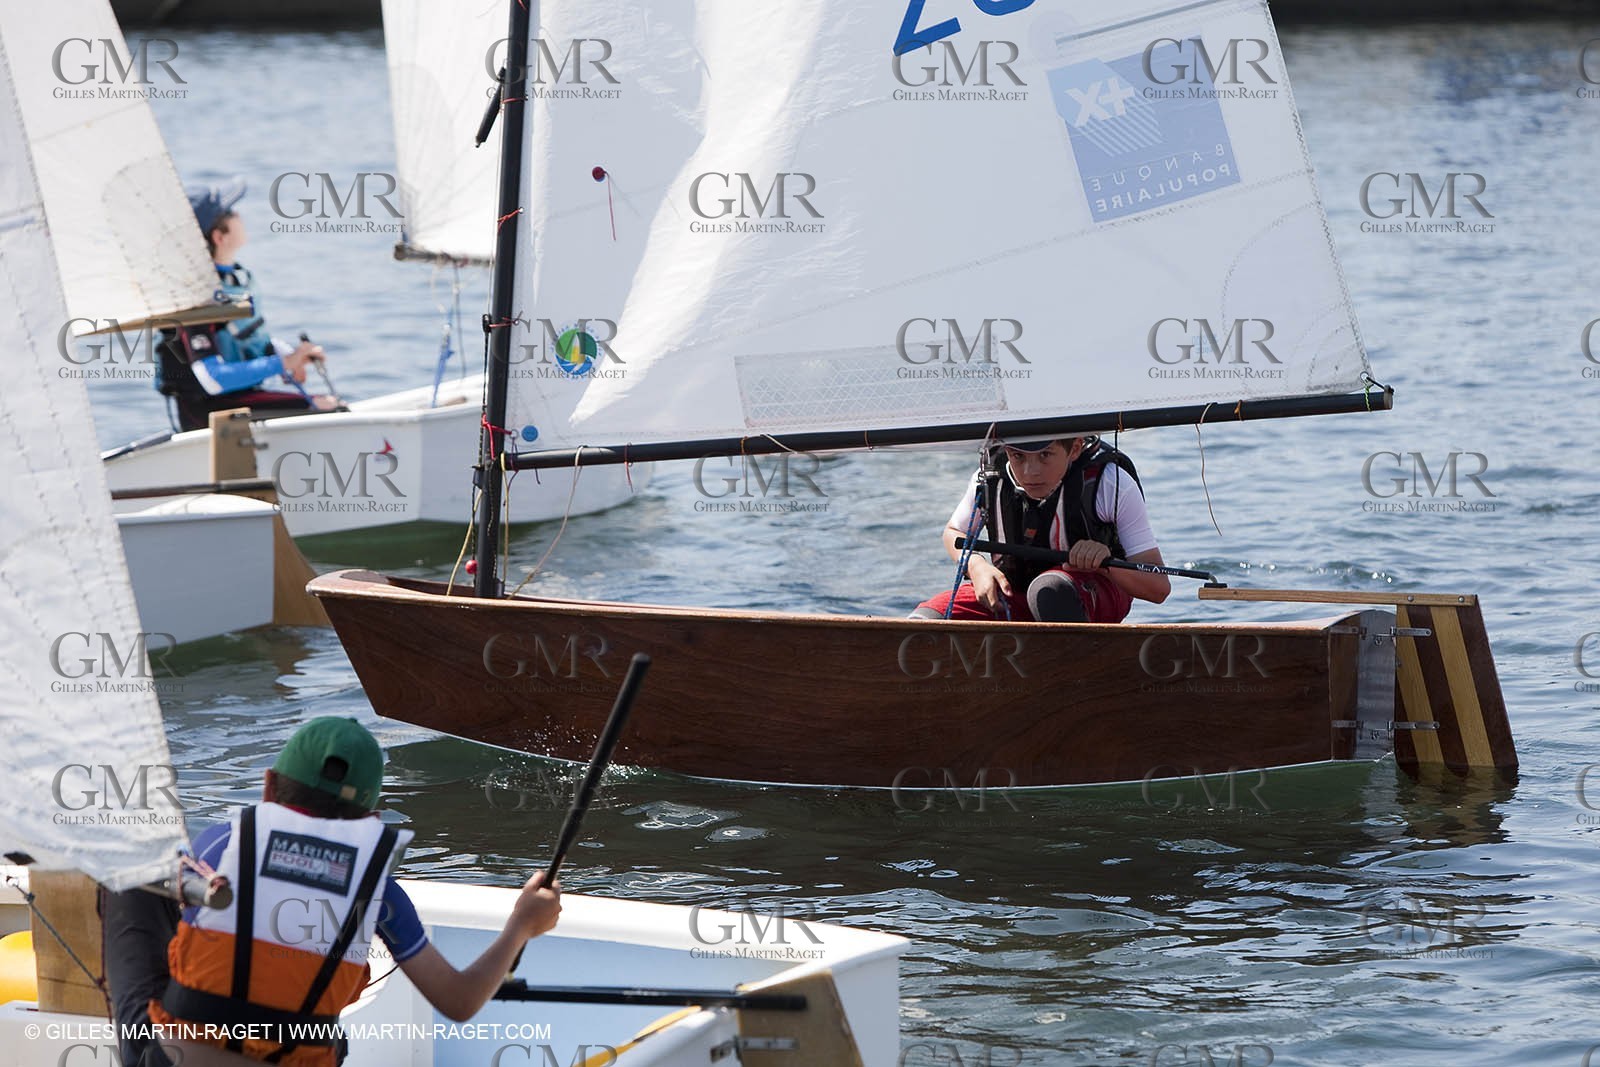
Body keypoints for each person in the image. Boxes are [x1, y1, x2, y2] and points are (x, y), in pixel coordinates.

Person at [102, 717, 561, 1067]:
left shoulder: (221, 843)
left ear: (268, 785)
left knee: (130, 882)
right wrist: (521, 926)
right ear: (370, 817)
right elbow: (458, 1002)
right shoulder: (377, 887)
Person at [910, 434, 1170, 623]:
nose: (1030, 471)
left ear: (1075, 448)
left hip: (1086, 595)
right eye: (1018, 456)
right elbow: (954, 533)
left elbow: (1158, 588)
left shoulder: (1110, 482)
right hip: (1013, 592)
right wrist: (976, 566)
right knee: (926, 618)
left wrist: (1106, 563)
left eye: (1045, 455)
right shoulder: (990, 476)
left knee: (1049, 591)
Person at [155, 180, 338, 431]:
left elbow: (241, 340)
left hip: (236, 399)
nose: (239, 215)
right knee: (328, 411)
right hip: (207, 413)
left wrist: (288, 356)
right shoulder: (195, 298)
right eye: (230, 213)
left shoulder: (231, 280)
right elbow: (213, 380)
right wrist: (283, 364)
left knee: (331, 407)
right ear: (220, 237)